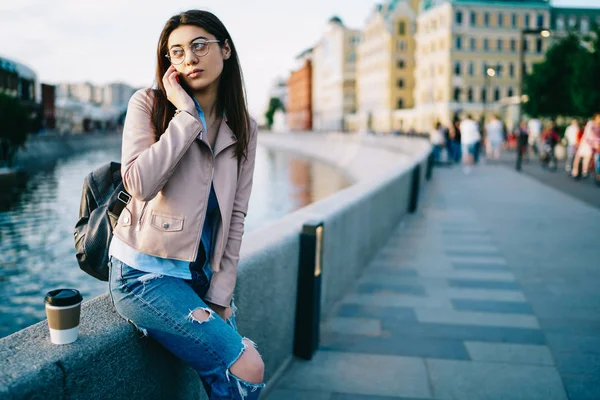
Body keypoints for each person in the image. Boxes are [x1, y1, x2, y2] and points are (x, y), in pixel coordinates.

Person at [107, 10, 265, 399]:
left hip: (200, 276)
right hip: (141, 274)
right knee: (247, 366)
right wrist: (186, 117)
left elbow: (237, 216)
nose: (189, 58)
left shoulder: (243, 126)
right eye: (176, 52)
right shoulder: (148, 104)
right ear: (169, 65)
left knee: (226, 375)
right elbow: (139, 184)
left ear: (225, 49)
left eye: (199, 46)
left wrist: (221, 295)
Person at [572, 113, 600, 179]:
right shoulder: (591, 124)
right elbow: (588, 134)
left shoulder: (599, 126)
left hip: (593, 144)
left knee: (588, 157)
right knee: (578, 157)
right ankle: (575, 171)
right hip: (585, 143)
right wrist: (594, 142)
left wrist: (597, 142)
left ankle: (585, 171)